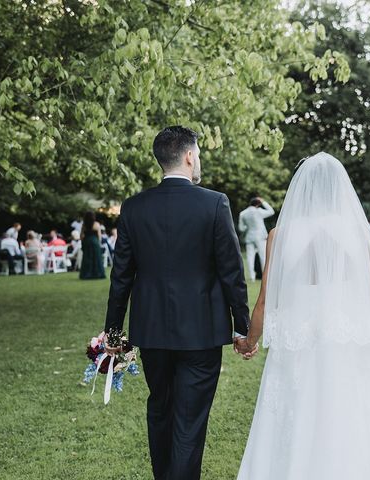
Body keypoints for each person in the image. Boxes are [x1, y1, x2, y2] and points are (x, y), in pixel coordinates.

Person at [237, 153, 370, 480]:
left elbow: (265, 302)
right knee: (356, 415)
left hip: (298, 347)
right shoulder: (358, 233)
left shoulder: (281, 235)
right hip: (348, 343)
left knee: (297, 419)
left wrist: (248, 341)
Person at [103, 126, 253, 480]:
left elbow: (121, 276)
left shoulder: (134, 207)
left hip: (151, 331)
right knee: (189, 421)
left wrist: (113, 331)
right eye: (197, 153)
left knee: (160, 411)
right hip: (201, 332)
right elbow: (232, 272)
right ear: (189, 156)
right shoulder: (214, 203)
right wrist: (242, 328)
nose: (198, 159)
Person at [238, 197, 275, 281]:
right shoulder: (258, 211)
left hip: (249, 237)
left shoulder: (243, 213)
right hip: (260, 237)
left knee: (250, 257)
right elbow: (271, 211)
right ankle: (264, 276)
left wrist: (247, 227)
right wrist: (264, 202)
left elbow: (241, 228)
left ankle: (252, 277)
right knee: (263, 256)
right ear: (258, 204)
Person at [79, 212, 105, 279]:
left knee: (87, 258)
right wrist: (98, 243)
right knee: (96, 258)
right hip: (95, 242)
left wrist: (83, 242)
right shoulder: (96, 224)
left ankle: (87, 274)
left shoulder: (84, 225)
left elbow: (81, 236)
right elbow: (99, 236)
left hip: (87, 242)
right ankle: (97, 274)